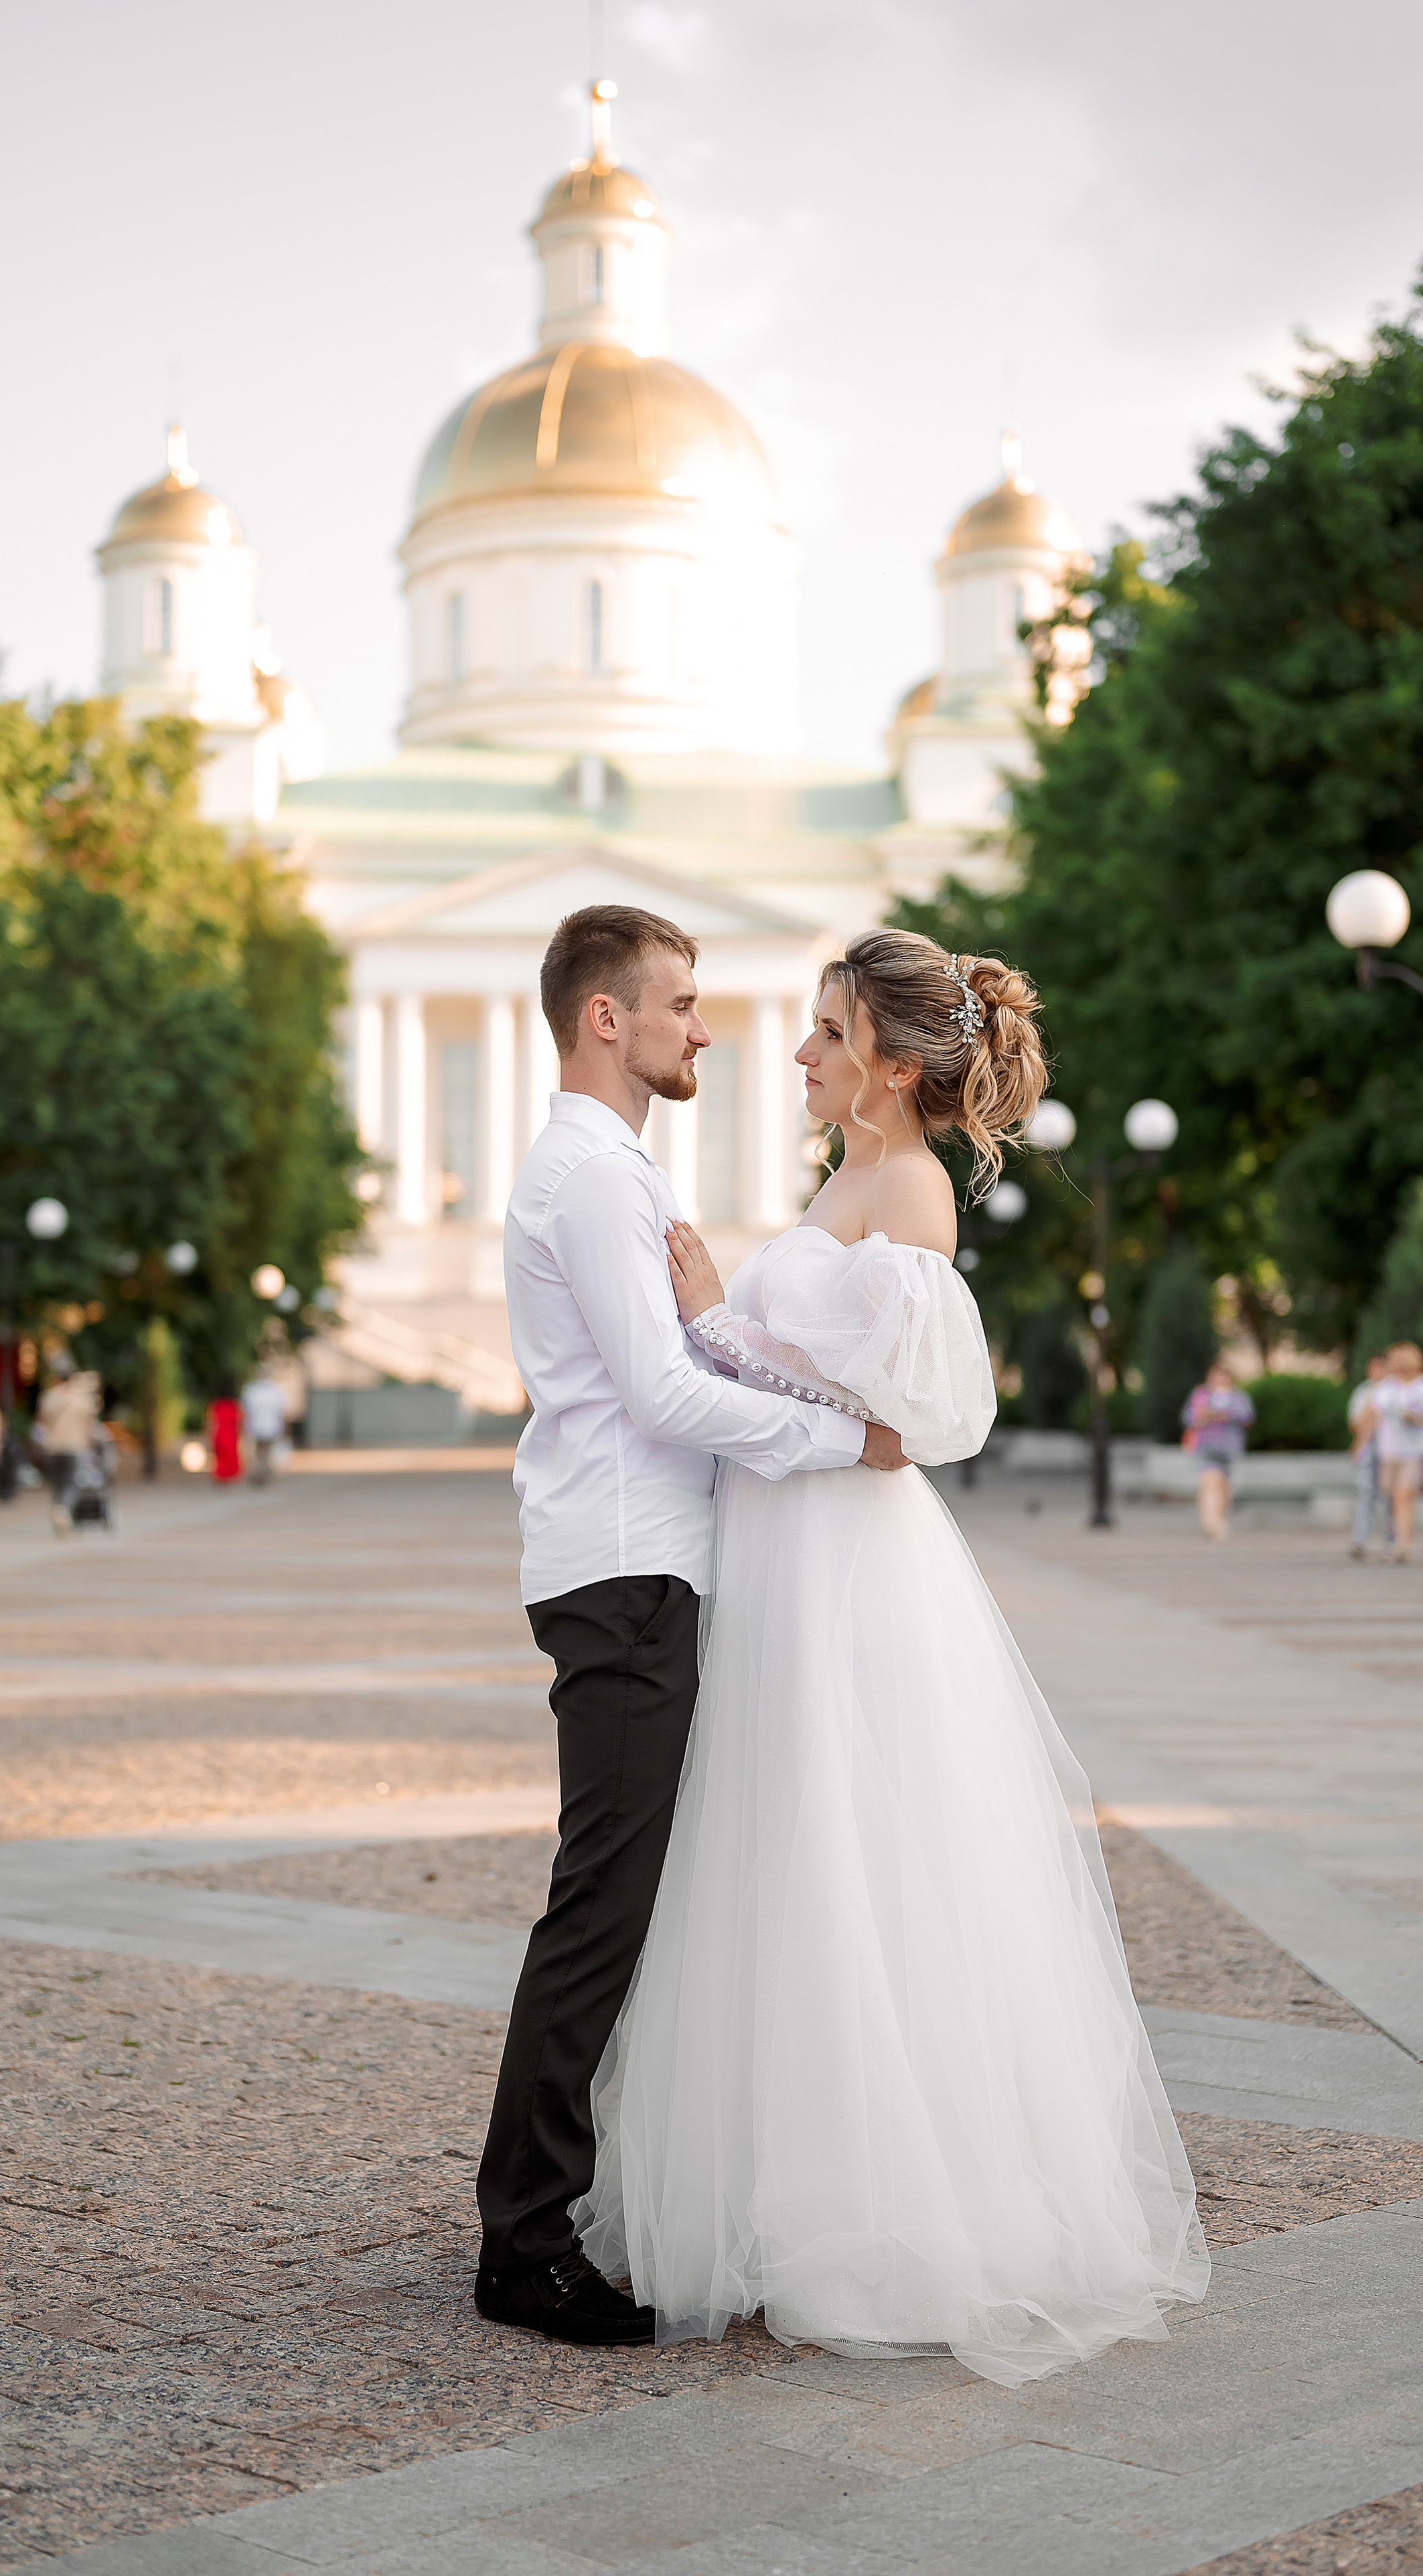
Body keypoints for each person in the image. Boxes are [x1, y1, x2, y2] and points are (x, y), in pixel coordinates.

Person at [572, 928, 1209, 2387]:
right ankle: (775, 2188)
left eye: (824, 1034)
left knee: (854, 1859)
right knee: (778, 1859)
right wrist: (723, 1327)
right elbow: (822, 1382)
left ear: (894, 1068)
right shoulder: (845, 1177)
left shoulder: (908, 1186)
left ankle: (878, 2217)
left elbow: (912, 1416)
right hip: (787, 1549)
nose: (794, 1053)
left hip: (850, 1562)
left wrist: (713, 1319)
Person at [475, 905, 907, 2350]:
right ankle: (523, 2241)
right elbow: (659, 1400)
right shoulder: (592, 1175)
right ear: (606, 1017)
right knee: (599, 1905)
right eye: (678, 1002)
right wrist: (838, 1434)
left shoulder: (608, 1165)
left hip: (636, 1560)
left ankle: (561, 2208)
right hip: (621, 1568)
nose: (701, 1027)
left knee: (623, 1897)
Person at [1371, 1340, 1423, 1564]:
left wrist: (1415, 1418)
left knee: (1403, 1496)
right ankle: (1396, 1539)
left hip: (1414, 1452)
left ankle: (1404, 1544)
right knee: (1391, 1496)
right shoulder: (1387, 1386)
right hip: (1389, 1451)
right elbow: (1373, 1413)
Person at [1180, 1361, 1255, 1540]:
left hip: (1229, 1449)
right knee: (1209, 1482)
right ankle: (1210, 1521)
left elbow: (1247, 1417)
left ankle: (1219, 1519)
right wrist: (1203, 1416)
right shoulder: (1201, 1395)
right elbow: (1188, 1418)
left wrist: (1225, 1414)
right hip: (1206, 1446)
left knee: (1223, 1486)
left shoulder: (1238, 1397)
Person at [35, 1354, 102, 1535]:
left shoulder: (48, 1398)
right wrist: (92, 1447)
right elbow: (90, 1427)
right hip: (74, 1446)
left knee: (57, 1484)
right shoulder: (82, 1399)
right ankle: (63, 1509)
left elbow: (41, 1424)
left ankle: (59, 1510)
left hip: (52, 1447)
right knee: (72, 1483)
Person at [1347, 1351, 1392, 1559]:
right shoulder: (1364, 1391)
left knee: (1389, 1495)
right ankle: (1361, 1539)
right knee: (1366, 1493)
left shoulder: (1393, 1390)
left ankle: (1392, 1540)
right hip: (1370, 1448)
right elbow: (1355, 1421)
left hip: (1391, 1449)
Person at [240, 1371, 289, 1484]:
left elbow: (245, 1411)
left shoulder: (251, 1390)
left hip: (255, 1427)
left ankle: (259, 1472)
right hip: (271, 1428)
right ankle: (263, 1473)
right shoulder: (276, 1391)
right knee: (266, 1453)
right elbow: (282, 1412)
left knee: (257, 1453)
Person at [206, 1386, 244, 1483]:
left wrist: (209, 1434)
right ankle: (230, 1475)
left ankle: (222, 1475)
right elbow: (240, 1421)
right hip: (231, 1433)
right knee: (231, 1454)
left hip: (219, 1433)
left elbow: (210, 1421)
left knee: (220, 1455)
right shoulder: (234, 1405)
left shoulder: (216, 1405)